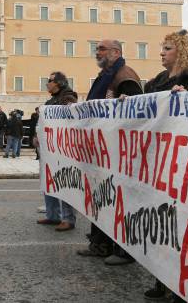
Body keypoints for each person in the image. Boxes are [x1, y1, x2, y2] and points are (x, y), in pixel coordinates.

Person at [142, 29, 188, 302]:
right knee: (162, 226)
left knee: (183, 229)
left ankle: (183, 285)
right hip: (159, 167)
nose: (162, 52)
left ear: (185, 51)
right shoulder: (157, 82)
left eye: (168, 48)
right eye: (162, 47)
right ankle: (162, 279)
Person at [76, 39, 143, 266]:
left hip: (116, 152)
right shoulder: (106, 74)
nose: (98, 52)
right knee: (101, 198)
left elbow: (135, 114)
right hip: (100, 150)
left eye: (102, 49)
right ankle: (100, 243)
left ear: (116, 52)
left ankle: (124, 250)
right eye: (97, 49)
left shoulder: (124, 75)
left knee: (118, 201)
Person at [36, 72, 78, 232]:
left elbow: (71, 115)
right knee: (49, 180)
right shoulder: (51, 100)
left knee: (64, 181)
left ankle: (68, 218)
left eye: (50, 81)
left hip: (63, 149)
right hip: (49, 148)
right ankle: (53, 215)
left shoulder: (68, 97)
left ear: (59, 83)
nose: (47, 83)